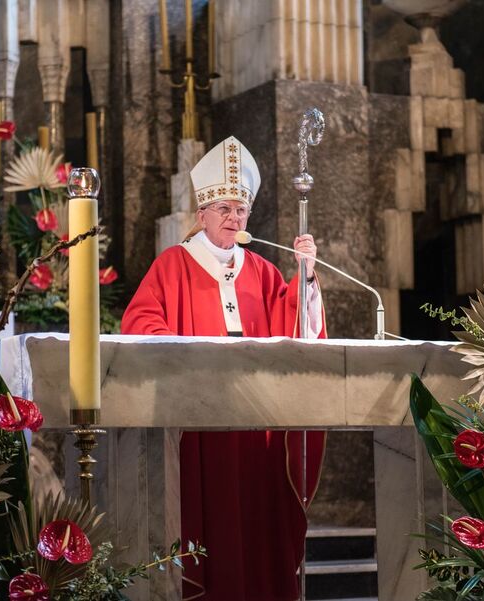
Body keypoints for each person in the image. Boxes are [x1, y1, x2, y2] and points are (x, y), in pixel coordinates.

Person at [122, 136, 326, 601]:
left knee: (257, 530)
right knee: (209, 527)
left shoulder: (263, 270)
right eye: (226, 210)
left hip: (259, 431)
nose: (234, 219)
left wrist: (307, 275)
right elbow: (140, 323)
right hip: (201, 431)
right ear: (202, 215)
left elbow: (297, 327)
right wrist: (184, 352)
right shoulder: (172, 265)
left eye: (241, 211)